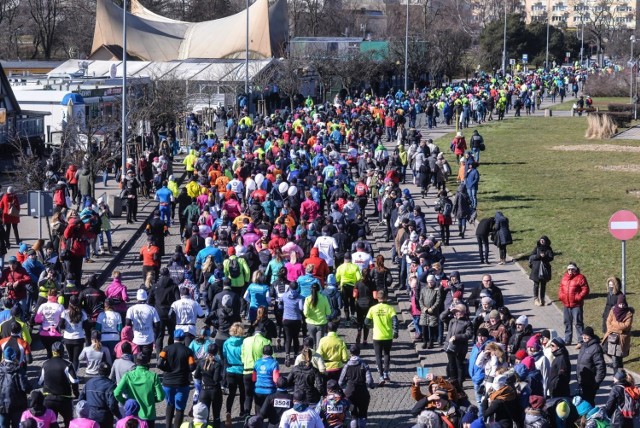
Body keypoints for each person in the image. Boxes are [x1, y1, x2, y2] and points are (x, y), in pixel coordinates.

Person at [114, 353, 166, 428]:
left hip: (132, 415)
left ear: (136, 362)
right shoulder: (153, 376)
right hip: (148, 415)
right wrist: (152, 399)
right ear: (148, 363)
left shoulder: (128, 375)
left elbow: (116, 393)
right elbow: (161, 396)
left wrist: (125, 401)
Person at [158, 329, 196, 428]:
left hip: (167, 383)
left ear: (174, 337)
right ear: (183, 338)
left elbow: (159, 363)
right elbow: (192, 367)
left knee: (170, 404)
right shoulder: (188, 351)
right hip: (182, 383)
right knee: (180, 408)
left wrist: (167, 369)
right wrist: (185, 371)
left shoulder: (166, 349)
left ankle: (167, 426)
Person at [39, 342, 80, 428]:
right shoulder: (67, 364)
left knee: (50, 423)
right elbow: (74, 381)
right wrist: (76, 394)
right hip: (64, 399)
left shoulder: (45, 363)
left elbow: (40, 382)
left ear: (52, 351)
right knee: (68, 422)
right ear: (62, 351)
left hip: (48, 398)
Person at [365, 290, 398, 386]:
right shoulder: (390, 308)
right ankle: (386, 373)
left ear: (377, 298)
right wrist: (395, 332)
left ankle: (380, 376)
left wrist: (372, 326)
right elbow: (395, 321)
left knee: (378, 356)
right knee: (387, 354)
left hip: (377, 336)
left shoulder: (373, 309)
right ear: (386, 298)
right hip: (387, 335)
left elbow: (366, 322)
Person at [339, 344, 373, 427]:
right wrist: (371, 386)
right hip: (362, 394)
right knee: (363, 414)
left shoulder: (346, 366)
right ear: (359, 353)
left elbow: (340, 382)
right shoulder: (364, 364)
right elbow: (369, 381)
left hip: (350, 395)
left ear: (350, 353)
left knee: (353, 415)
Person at [78, 362, 121, 427]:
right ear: (109, 372)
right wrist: (119, 416)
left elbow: (81, 399)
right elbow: (112, 405)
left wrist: (82, 414)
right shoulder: (111, 385)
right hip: (105, 417)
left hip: (90, 414)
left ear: (98, 371)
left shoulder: (89, 382)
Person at [443, 304, 473, 395]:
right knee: (451, 365)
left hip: (460, 349)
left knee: (459, 366)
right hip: (450, 347)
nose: (456, 313)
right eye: (455, 311)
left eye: (458, 311)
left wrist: (457, 337)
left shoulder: (467, 323)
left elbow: (469, 335)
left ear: (463, 312)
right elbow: (442, 317)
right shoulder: (452, 320)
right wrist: (449, 310)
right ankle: (453, 382)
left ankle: (459, 384)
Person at [241, 326, 270, 416]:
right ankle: (258, 417)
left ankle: (246, 415)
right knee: (258, 395)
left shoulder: (245, 340)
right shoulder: (266, 341)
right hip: (259, 373)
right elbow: (271, 359)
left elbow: (242, 356)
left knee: (248, 395)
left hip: (246, 371)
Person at [125, 289, 161, 362]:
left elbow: (127, 324)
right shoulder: (152, 309)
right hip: (148, 339)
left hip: (135, 339)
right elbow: (157, 324)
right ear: (146, 297)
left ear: (137, 297)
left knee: (136, 361)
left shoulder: (131, 309)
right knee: (146, 361)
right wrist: (154, 335)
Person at [558, 262, 589, 346]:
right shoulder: (564, 277)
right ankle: (568, 340)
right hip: (566, 304)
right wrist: (561, 296)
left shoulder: (580, 277)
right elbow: (561, 288)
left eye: (572, 269)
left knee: (578, 323)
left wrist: (578, 298)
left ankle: (581, 340)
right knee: (567, 322)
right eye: (569, 269)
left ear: (575, 269)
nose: (570, 271)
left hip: (576, 305)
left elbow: (585, 289)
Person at [193, 343, 223, 428]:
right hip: (215, 391)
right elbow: (216, 379)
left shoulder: (201, 362)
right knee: (216, 415)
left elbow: (196, 376)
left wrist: (204, 376)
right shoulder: (217, 364)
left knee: (204, 415)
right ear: (217, 352)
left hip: (204, 390)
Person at [602, 294, 634, 373]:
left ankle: (620, 377)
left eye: (623, 304)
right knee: (615, 360)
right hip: (612, 339)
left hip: (621, 340)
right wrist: (619, 329)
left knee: (619, 360)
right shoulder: (612, 310)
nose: (621, 305)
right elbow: (608, 323)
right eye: (620, 304)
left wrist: (614, 324)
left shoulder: (628, 314)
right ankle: (616, 377)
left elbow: (626, 326)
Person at [222, 322, 246, 425]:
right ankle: (242, 411)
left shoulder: (226, 342)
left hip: (230, 369)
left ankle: (228, 411)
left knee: (231, 393)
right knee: (242, 392)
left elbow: (224, 355)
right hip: (241, 369)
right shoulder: (244, 342)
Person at [0, 347, 30, 428]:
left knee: (3, 425)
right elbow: (25, 388)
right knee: (16, 425)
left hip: (2, 404)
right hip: (17, 404)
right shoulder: (19, 370)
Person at [576, 326, 605, 406]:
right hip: (582, 381)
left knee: (589, 404)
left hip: (590, 383)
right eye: (583, 335)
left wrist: (595, 383)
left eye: (586, 335)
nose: (584, 337)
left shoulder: (596, 348)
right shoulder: (584, 345)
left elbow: (601, 368)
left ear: (591, 336)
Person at [60, 295, 88, 372]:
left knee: (70, 358)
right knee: (76, 359)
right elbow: (86, 326)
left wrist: (66, 326)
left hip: (68, 338)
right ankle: (74, 374)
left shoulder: (65, 313)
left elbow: (60, 325)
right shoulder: (82, 313)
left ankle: (69, 374)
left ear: (69, 303)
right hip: (79, 338)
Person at [252, 345, 280, 412]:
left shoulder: (257, 362)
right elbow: (276, 380)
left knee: (258, 413)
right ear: (272, 352)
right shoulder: (274, 363)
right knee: (271, 413)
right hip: (270, 391)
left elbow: (253, 378)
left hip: (258, 391)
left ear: (263, 352)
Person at [528, 236, 554, 306]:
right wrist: (538, 256)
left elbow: (551, 257)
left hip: (545, 269)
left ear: (546, 241)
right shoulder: (537, 248)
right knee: (536, 284)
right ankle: (536, 299)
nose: (542, 241)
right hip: (536, 269)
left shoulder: (549, 248)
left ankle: (542, 299)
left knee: (543, 285)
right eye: (541, 240)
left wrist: (545, 256)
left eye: (543, 240)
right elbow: (531, 257)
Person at [303, 283, 331, 348]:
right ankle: (319, 357)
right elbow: (328, 312)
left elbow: (305, 313)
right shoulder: (324, 298)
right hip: (321, 323)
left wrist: (310, 316)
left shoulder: (307, 299)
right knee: (319, 344)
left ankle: (312, 356)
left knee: (312, 343)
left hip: (310, 323)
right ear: (319, 289)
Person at [419, 274, 442, 350]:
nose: (430, 283)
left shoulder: (437, 290)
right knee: (424, 328)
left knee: (431, 328)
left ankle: (431, 342)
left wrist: (432, 308)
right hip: (424, 312)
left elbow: (438, 301)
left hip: (433, 312)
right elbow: (420, 300)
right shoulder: (424, 289)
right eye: (429, 282)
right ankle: (425, 341)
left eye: (431, 281)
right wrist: (423, 308)